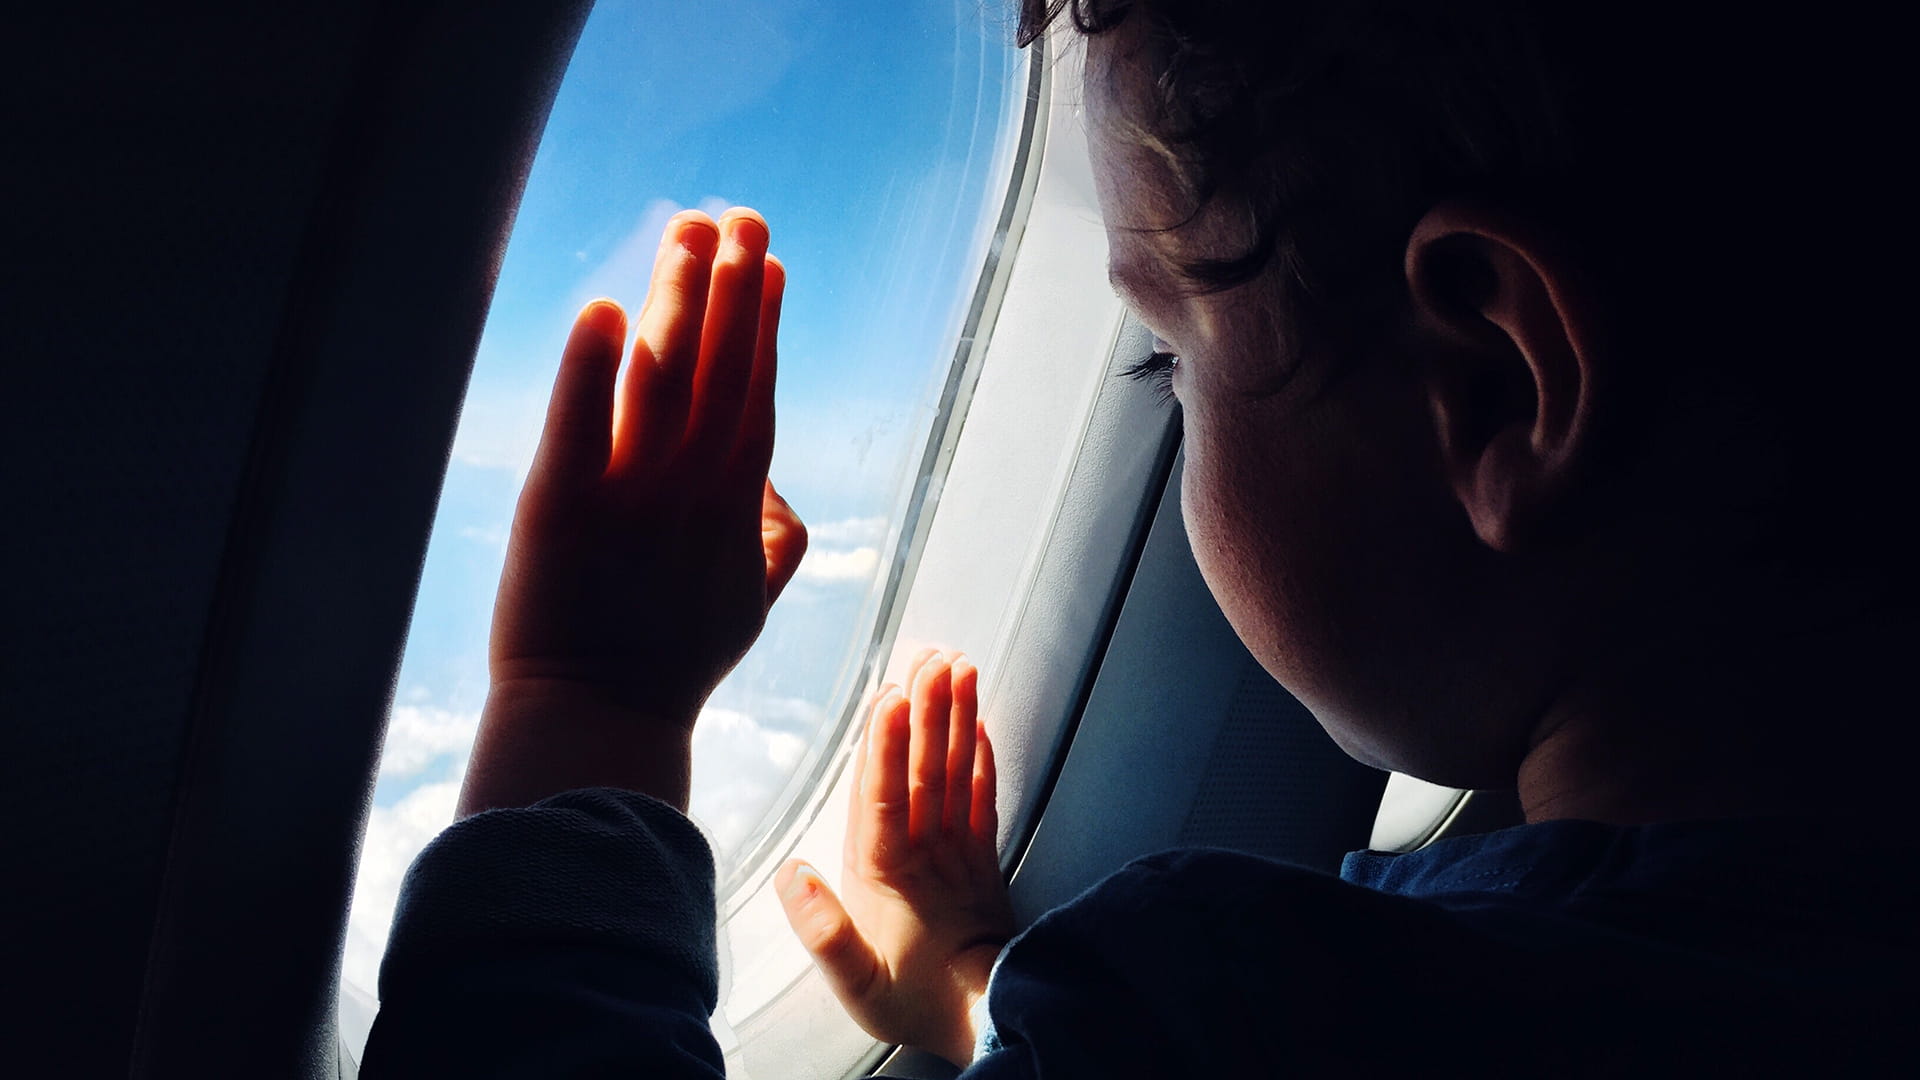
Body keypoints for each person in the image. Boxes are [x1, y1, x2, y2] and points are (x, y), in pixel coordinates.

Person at [360, 2, 1915, 1076]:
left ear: (1498, 382)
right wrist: (984, 995)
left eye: (1170, 361)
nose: (1168, 407)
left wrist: (591, 710)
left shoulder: (1246, 1010)